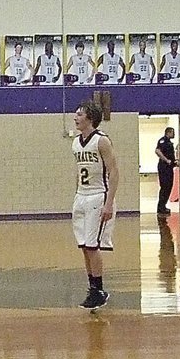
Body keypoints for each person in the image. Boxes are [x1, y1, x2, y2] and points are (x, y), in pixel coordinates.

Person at [71, 100, 119, 309]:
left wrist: (109, 204)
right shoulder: (75, 142)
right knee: (83, 246)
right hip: (81, 196)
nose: (75, 117)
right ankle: (92, 289)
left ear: (90, 118)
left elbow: (114, 171)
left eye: (79, 114)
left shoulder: (102, 141)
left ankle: (99, 289)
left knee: (92, 246)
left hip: (98, 196)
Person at [156, 126, 178, 215]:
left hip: (169, 168)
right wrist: (166, 160)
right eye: (173, 132)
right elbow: (157, 151)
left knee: (169, 187)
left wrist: (174, 162)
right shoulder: (163, 141)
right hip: (164, 167)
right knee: (165, 187)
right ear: (168, 132)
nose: (174, 134)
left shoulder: (169, 142)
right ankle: (161, 207)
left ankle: (163, 206)